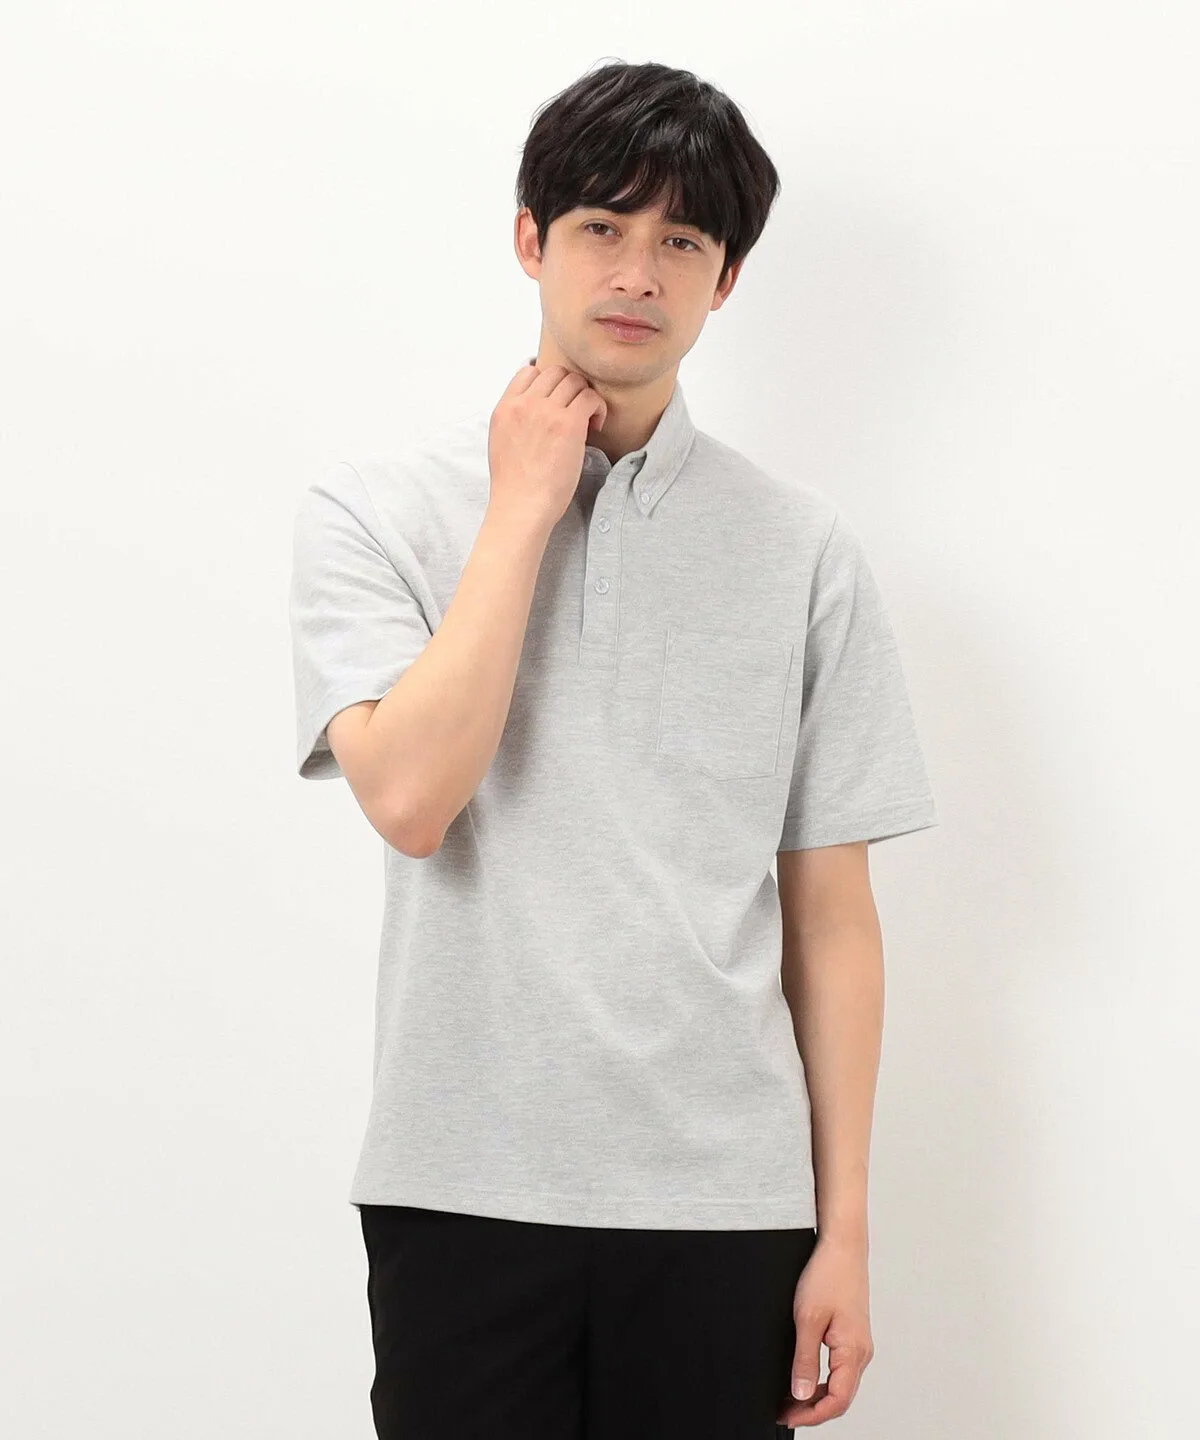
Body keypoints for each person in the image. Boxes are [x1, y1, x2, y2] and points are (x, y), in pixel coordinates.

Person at [288, 57, 938, 1440]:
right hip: (462, 1188)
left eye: (683, 241)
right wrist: (523, 507)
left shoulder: (804, 550)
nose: (638, 272)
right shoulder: (376, 513)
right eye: (601, 227)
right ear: (531, 239)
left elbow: (833, 919)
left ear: (727, 279)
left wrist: (846, 1231)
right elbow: (410, 800)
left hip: (726, 1205)